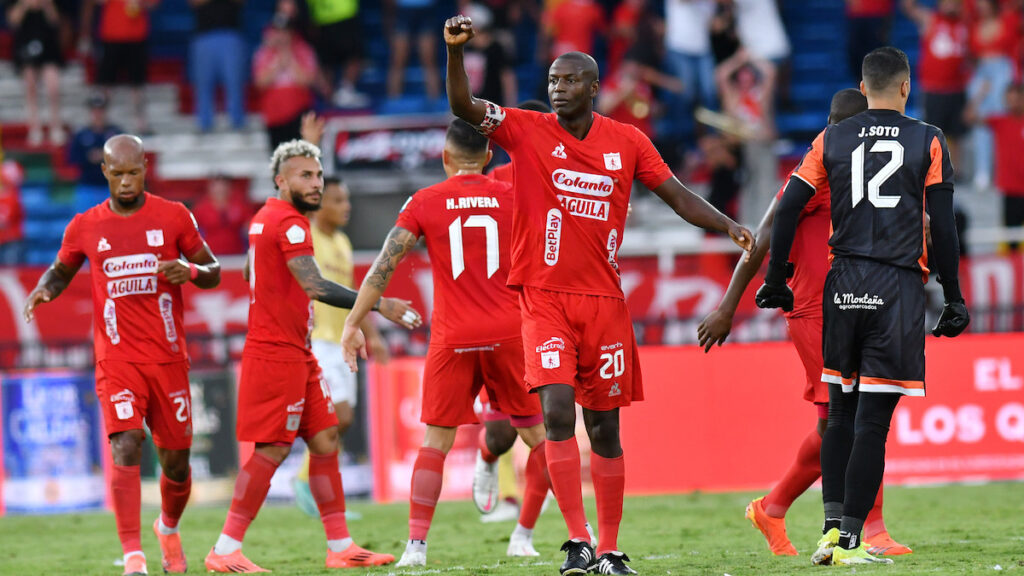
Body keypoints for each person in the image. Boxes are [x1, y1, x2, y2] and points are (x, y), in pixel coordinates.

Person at [444, 16, 755, 575]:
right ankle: (577, 541)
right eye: (552, 80)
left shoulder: (628, 140)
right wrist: (455, 52)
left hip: (604, 303)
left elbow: (677, 196)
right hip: (543, 296)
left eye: (568, 81)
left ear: (592, 87)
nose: (557, 88)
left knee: (605, 428)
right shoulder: (526, 130)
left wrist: (727, 225)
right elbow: (466, 107)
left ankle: (610, 550)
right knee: (557, 411)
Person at [755, 47, 970, 565]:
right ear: (905, 86)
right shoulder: (930, 139)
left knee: (841, 413)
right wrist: (954, 296)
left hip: (842, 283)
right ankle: (852, 538)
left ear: (863, 85)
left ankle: (830, 533)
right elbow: (942, 225)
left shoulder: (831, 137)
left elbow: (786, 208)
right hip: (895, 284)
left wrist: (778, 278)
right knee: (873, 422)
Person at [698, 88, 910, 557]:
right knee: (853, 419)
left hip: (856, 305)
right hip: (816, 311)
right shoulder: (813, 172)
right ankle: (868, 530)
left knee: (836, 424)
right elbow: (766, 234)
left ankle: (772, 508)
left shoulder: (867, 172)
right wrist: (728, 307)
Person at [203, 139, 420, 573]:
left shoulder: (264, 219)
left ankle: (340, 546)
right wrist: (379, 303)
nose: (316, 182)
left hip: (296, 351)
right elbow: (316, 286)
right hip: (277, 353)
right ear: (280, 180)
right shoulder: (291, 224)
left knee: (325, 438)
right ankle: (225, 549)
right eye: (306, 175)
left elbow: (253, 270)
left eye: (318, 175)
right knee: (270, 451)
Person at [340, 119, 549, 565]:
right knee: (543, 440)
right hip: (510, 333)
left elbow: (383, 265)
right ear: (489, 158)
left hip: (452, 337)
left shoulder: (424, 201)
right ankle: (527, 536)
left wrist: (353, 323)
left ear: (444, 157)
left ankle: (415, 549)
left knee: (435, 441)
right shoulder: (514, 196)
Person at [23, 134, 222, 576]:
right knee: (127, 443)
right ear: (105, 173)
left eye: (134, 172)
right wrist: (44, 290)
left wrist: (188, 270)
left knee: (176, 462)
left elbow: (214, 272)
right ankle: (133, 558)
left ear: (145, 167)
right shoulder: (85, 225)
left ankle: (167, 528)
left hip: (168, 360)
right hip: (117, 360)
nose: (127, 182)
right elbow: (62, 268)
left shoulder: (173, 216)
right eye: (119, 174)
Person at [292, 175, 391, 518]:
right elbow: (297, 195)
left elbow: (354, 297)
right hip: (317, 339)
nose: (345, 206)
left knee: (342, 420)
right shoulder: (308, 235)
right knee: (333, 418)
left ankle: (317, 488)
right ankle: (310, 485)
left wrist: (373, 335)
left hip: (341, 342)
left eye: (346, 200)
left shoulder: (344, 244)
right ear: (319, 203)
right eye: (336, 200)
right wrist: (310, 149)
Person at [901, 0, 968, 172]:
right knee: (932, 131)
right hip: (934, 88)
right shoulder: (931, 19)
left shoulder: (964, 23)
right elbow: (909, 8)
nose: (951, 6)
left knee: (956, 133)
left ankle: (956, 171)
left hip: (956, 87)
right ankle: (932, 169)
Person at [80, 0, 156, 133]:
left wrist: (140, 3)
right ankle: (99, 122)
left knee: (137, 83)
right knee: (105, 83)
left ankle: (141, 123)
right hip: (112, 35)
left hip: (136, 36)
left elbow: (154, 4)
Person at [252, 13, 318, 149]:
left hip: (298, 114)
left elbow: (308, 81)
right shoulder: (264, 53)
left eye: (285, 31)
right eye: (278, 31)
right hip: (274, 116)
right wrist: (277, 64)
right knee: (280, 160)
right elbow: (260, 83)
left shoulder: (303, 50)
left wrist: (290, 59)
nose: (281, 35)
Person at [7, 0, 64, 146]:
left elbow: (56, 21)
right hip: (26, 45)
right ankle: (35, 128)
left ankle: (55, 126)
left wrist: (46, 4)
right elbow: (13, 21)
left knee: (53, 87)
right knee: (30, 85)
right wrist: (25, 4)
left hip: (48, 45)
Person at [188, 0, 247, 132]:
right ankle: (204, 122)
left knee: (234, 81)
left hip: (230, 34)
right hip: (204, 35)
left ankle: (237, 121)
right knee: (203, 83)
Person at [987, 83, 1024, 251]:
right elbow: (969, 117)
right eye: (1010, 99)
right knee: (1011, 240)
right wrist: (982, 93)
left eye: (1017, 98)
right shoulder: (999, 121)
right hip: (1010, 189)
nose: (1013, 103)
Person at [68, 92, 122, 191]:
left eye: (100, 111)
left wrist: (105, 156)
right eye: (95, 111)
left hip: (111, 186)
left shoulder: (116, 134)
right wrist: (89, 157)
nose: (98, 115)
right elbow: (72, 157)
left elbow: (124, 156)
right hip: (87, 184)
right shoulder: (81, 135)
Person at [190, 175, 249, 255]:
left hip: (236, 252)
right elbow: (191, 229)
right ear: (210, 188)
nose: (220, 190)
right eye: (217, 187)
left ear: (229, 188)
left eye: (223, 186)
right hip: (211, 253)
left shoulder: (239, 204)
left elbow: (249, 225)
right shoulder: (202, 207)